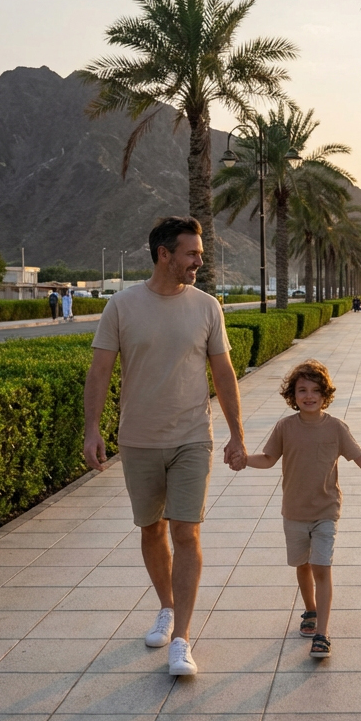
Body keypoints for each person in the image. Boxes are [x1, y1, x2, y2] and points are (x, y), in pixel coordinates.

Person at [83, 215, 246, 678]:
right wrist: (92, 429)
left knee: (186, 532)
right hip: (138, 439)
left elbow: (224, 374)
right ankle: (166, 606)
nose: (199, 260)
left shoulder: (207, 307)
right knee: (151, 528)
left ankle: (182, 639)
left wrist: (236, 433)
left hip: (193, 437)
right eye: (192, 253)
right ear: (164, 255)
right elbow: (99, 373)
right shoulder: (122, 306)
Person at [238, 360, 361, 658]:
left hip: (326, 510)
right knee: (302, 566)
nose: (309, 396)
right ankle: (310, 610)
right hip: (294, 511)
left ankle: (322, 635)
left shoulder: (336, 428)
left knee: (321, 567)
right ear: (293, 395)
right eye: (302, 390)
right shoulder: (285, 427)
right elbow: (268, 458)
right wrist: (244, 459)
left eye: (315, 390)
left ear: (325, 394)